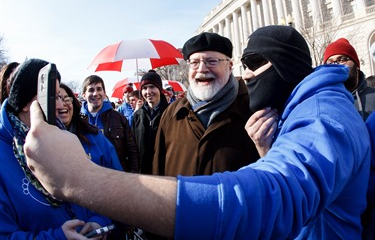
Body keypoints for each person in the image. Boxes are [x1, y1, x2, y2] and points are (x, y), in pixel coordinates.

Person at [24, 26, 370, 239]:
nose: (248, 77)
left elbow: (271, 198)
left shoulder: (318, 113)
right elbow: (154, 170)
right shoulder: (171, 115)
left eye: (215, 61)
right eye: (194, 62)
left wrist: (82, 180)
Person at [0, 58, 112, 238]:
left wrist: (98, 220)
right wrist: (59, 237)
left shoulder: (65, 138)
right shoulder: (3, 155)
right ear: (27, 104)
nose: (60, 106)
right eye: (52, 97)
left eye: (60, 96)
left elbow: (95, 189)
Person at [153, 32, 259, 176]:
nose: (202, 69)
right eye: (194, 63)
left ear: (230, 66)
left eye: (212, 61)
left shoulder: (254, 109)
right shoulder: (172, 114)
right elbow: (158, 171)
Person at [80, 75, 140, 173]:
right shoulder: (78, 121)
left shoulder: (118, 118)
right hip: (89, 178)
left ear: (104, 93)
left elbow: (132, 151)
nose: (95, 93)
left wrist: (133, 175)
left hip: (117, 175)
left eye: (99, 89)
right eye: (91, 90)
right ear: (84, 95)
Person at [58, 83, 123, 170]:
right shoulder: (37, 141)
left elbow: (116, 172)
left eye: (66, 99)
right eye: (55, 99)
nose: (62, 104)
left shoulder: (94, 136)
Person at [323, 38, 375, 120]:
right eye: (330, 63)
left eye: (342, 60)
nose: (336, 65)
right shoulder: (324, 102)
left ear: (356, 64)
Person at [131, 70, 169, 174]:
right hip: (143, 172)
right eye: (144, 88)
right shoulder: (137, 116)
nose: (148, 92)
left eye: (152, 87)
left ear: (160, 89)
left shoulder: (171, 113)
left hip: (165, 171)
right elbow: (133, 147)